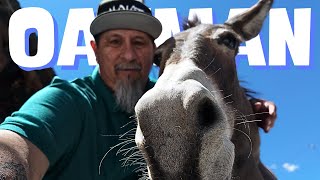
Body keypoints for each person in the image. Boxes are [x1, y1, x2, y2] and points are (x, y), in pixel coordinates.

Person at [0, 0, 277, 179]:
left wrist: (245, 107)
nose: (129, 55)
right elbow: (16, 144)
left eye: (140, 43)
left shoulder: (168, 96)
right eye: (115, 42)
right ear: (95, 50)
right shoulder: (67, 100)